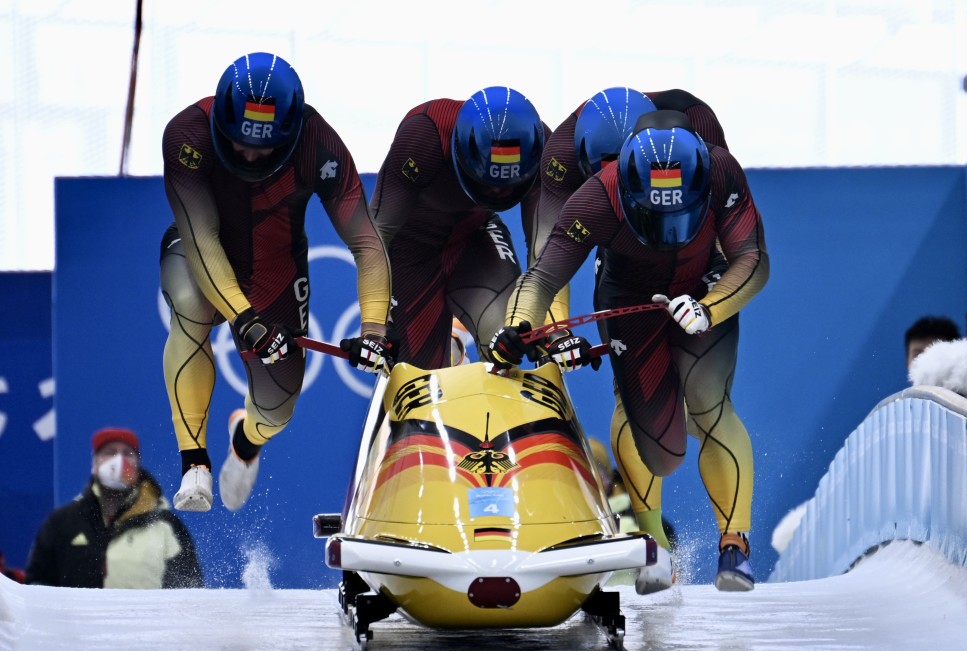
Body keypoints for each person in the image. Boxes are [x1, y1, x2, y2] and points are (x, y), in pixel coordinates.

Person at [488, 109, 769, 592]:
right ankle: (651, 542)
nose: (666, 226)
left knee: (708, 403)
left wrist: (709, 307)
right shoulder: (596, 198)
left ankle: (734, 545)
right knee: (647, 427)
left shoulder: (722, 172)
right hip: (628, 293)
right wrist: (519, 328)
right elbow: (543, 278)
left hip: (703, 285)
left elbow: (753, 260)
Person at [160, 52, 393, 513]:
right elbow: (202, 237)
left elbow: (366, 242)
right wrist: (244, 318)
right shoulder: (187, 134)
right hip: (200, 249)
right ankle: (194, 463)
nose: (249, 153)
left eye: (264, 147)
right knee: (189, 306)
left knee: (277, 408)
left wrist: (374, 331)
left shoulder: (319, 145)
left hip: (275, 267)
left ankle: (245, 442)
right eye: (239, 141)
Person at [534, 87, 731, 593]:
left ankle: (667, 538)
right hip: (620, 257)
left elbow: (729, 223)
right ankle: (648, 546)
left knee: (700, 403)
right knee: (636, 402)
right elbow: (551, 261)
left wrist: (712, 297)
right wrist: (558, 332)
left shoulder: (694, 127)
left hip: (688, 256)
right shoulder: (560, 161)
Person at [369, 86, 546, 369]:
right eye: (487, 180)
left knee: (505, 343)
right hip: (409, 250)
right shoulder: (424, 134)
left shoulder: (541, 148)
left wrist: (548, 327)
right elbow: (375, 237)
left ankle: (456, 342)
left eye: (508, 182)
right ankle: (452, 347)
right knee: (417, 377)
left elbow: (546, 252)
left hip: (475, 236)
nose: (498, 192)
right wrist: (376, 324)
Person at [24, 428, 203, 589]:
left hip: (147, 625)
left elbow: (188, 590)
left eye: (128, 454)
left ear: (137, 465)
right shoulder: (63, 521)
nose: (119, 461)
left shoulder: (164, 523)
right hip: (77, 625)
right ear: (94, 464)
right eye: (110, 453)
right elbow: (38, 584)